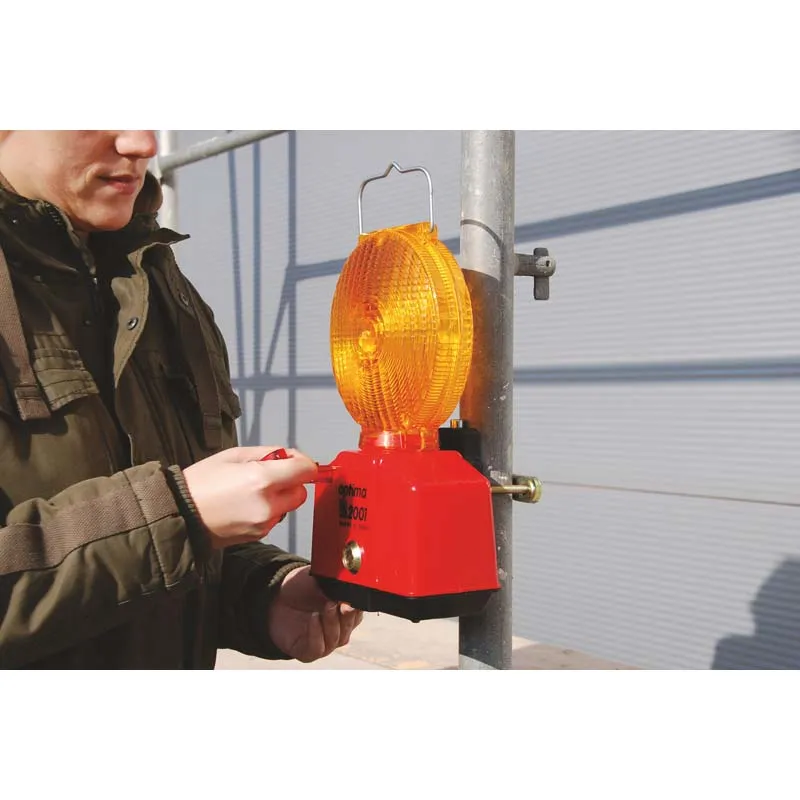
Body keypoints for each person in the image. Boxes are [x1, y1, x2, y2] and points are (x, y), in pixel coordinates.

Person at [0, 130, 363, 669]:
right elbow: (169, 519)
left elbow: (172, 553)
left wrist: (263, 593)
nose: (143, 143)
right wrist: (178, 513)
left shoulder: (155, 280)